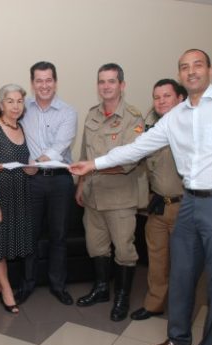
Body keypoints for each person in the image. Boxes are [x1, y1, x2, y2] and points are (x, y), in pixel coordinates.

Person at [70, 49, 212, 345]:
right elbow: (137, 148)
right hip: (191, 200)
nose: (191, 71)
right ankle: (178, 337)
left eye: (198, 65)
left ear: (210, 70)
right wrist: (93, 164)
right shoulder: (174, 118)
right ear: (180, 74)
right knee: (182, 273)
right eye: (184, 67)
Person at [75, 63, 144, 322]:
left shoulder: (133, 118)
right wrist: (80, 184)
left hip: (119, 197)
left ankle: (122, 297)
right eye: (102, 81)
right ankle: (102, 289)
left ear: (122, 85)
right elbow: (84, 153)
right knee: (96, 246)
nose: (106, 86)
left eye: (111, 81)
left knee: (124, 251)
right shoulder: (92, 115)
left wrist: (93, 167)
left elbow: (129, 160)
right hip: (93, 195)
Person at [15, 61, 77, 305]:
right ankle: (27, 284)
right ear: (32, 84)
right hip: (32, 182)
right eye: (39, 80)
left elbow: (61, 145)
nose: (44, 85)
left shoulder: (68, 112)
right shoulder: (23, 108)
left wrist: (36, 162)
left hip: (60, 181)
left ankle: (58, 285)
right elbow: (6, 122)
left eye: (48, 80)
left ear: (55, 82)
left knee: (58, 236)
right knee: (28, 236)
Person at [130, 79, 186, 321]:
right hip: (159, 207)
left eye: (166, 96)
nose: (161, 101)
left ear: (180, 99)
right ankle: (154, 304)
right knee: (157, 260)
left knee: (184, 263)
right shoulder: (152, 131)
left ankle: (182, 309)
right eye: (156, 97)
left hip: (184, 207)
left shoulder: (190, 129)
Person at [0, 84, 32, 313]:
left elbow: (25, 164)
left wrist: (33, 168)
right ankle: (7, 291)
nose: (15, 106)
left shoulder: (22, 128)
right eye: (10, 101)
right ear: (1, 104)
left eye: (19, 101)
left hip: (18, 196)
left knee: (3, 243)